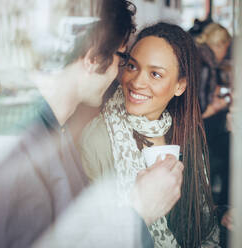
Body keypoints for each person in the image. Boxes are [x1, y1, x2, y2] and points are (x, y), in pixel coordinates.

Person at [0, 1, 184, 248]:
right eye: (122, 56)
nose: (120, 71)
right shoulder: (18, 146)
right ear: (94, 57)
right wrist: (139, 211)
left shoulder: (51, 131)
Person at [79, 22, 220, 247]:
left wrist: (222, 215)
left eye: (155, 74)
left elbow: (198, 218)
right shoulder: (96, 139)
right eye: (133, 66)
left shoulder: (185, 132)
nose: (136, 81)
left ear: (180, 86)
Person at [195, 23, 232, 206]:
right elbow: (200, 110)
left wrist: (218, 95)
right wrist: (222, 104)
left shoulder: (200, 55)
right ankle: (225, 205)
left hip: (198, 131)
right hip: (198, 134)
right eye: (226, 48)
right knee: (233, 149)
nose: (225, 53)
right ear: (219, 45)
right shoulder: (205, 64)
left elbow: (204, 92)